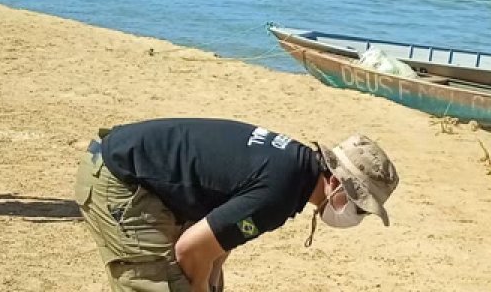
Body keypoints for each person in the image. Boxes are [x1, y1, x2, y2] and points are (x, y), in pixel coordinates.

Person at [74, 117, 400, 292]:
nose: (356, 215)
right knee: (166, 286)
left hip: (147, 175)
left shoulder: (296, 168)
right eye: (358, 205)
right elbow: (190, 250)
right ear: (335, 181)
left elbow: (220, 236)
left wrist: (211, 279)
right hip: (121, 179)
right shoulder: (281, 192)